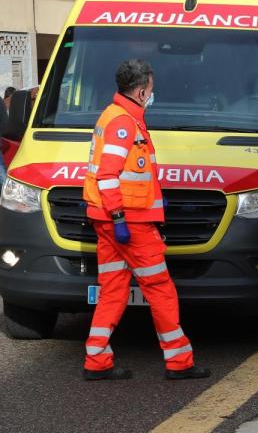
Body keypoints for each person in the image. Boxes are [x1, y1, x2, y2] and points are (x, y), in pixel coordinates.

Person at [82, 60, 209, 381]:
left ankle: (96, 359)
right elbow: (108, 176)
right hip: (128, 223)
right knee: (160, 288)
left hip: (112, 221)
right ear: (140, 92)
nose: (153, 95)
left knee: (113, 288)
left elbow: (129, 174)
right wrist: (120, 217)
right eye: (151, 90)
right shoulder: (124, 124)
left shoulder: (117, 117)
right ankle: (179, 361)